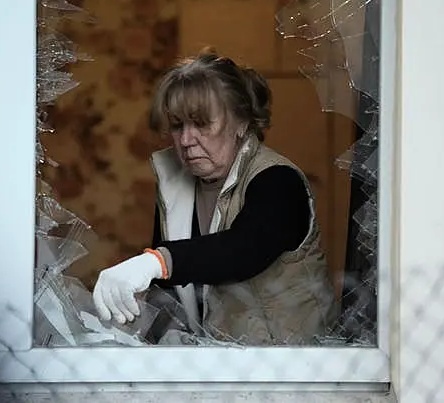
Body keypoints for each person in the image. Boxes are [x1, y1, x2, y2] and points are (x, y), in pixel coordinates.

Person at [92, 51, 338, 345]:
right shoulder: (176, 186)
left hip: (298, 368)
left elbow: (243, 250)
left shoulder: (278, 180)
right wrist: (167, 332)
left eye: (201, 123)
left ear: (242, 123)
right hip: (221, 367)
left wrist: (156, 262)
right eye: (177, 124)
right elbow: (175, 286)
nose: (186, 140)